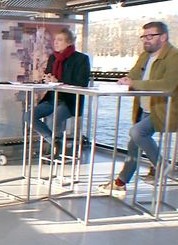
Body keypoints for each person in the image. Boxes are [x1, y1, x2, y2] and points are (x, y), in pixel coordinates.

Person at [98, 21, 178, 198]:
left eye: (150, 36)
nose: (146, 40)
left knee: (137, 133)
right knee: (133, 146)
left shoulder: (175, 56)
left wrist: (135, 84)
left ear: (163, 37)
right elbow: (134, 74)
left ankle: (163, 168)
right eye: (144, 36)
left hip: (165, 109)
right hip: (144, 107)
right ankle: (120, 183)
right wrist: (125, 80)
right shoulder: (145, 56)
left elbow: (169, 85)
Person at [26, 27, 90, 155]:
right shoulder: (53, 58)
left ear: (69, 42)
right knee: (29, 116)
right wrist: (47, 78)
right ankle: (55, 143)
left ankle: (55, 149)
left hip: (69, 100)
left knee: (53, 118)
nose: (55, 42)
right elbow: (49, 76)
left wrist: (58, 80)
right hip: (52, 98)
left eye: (59, 40)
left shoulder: (81, 59)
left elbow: (81, 82)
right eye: (55, 39)